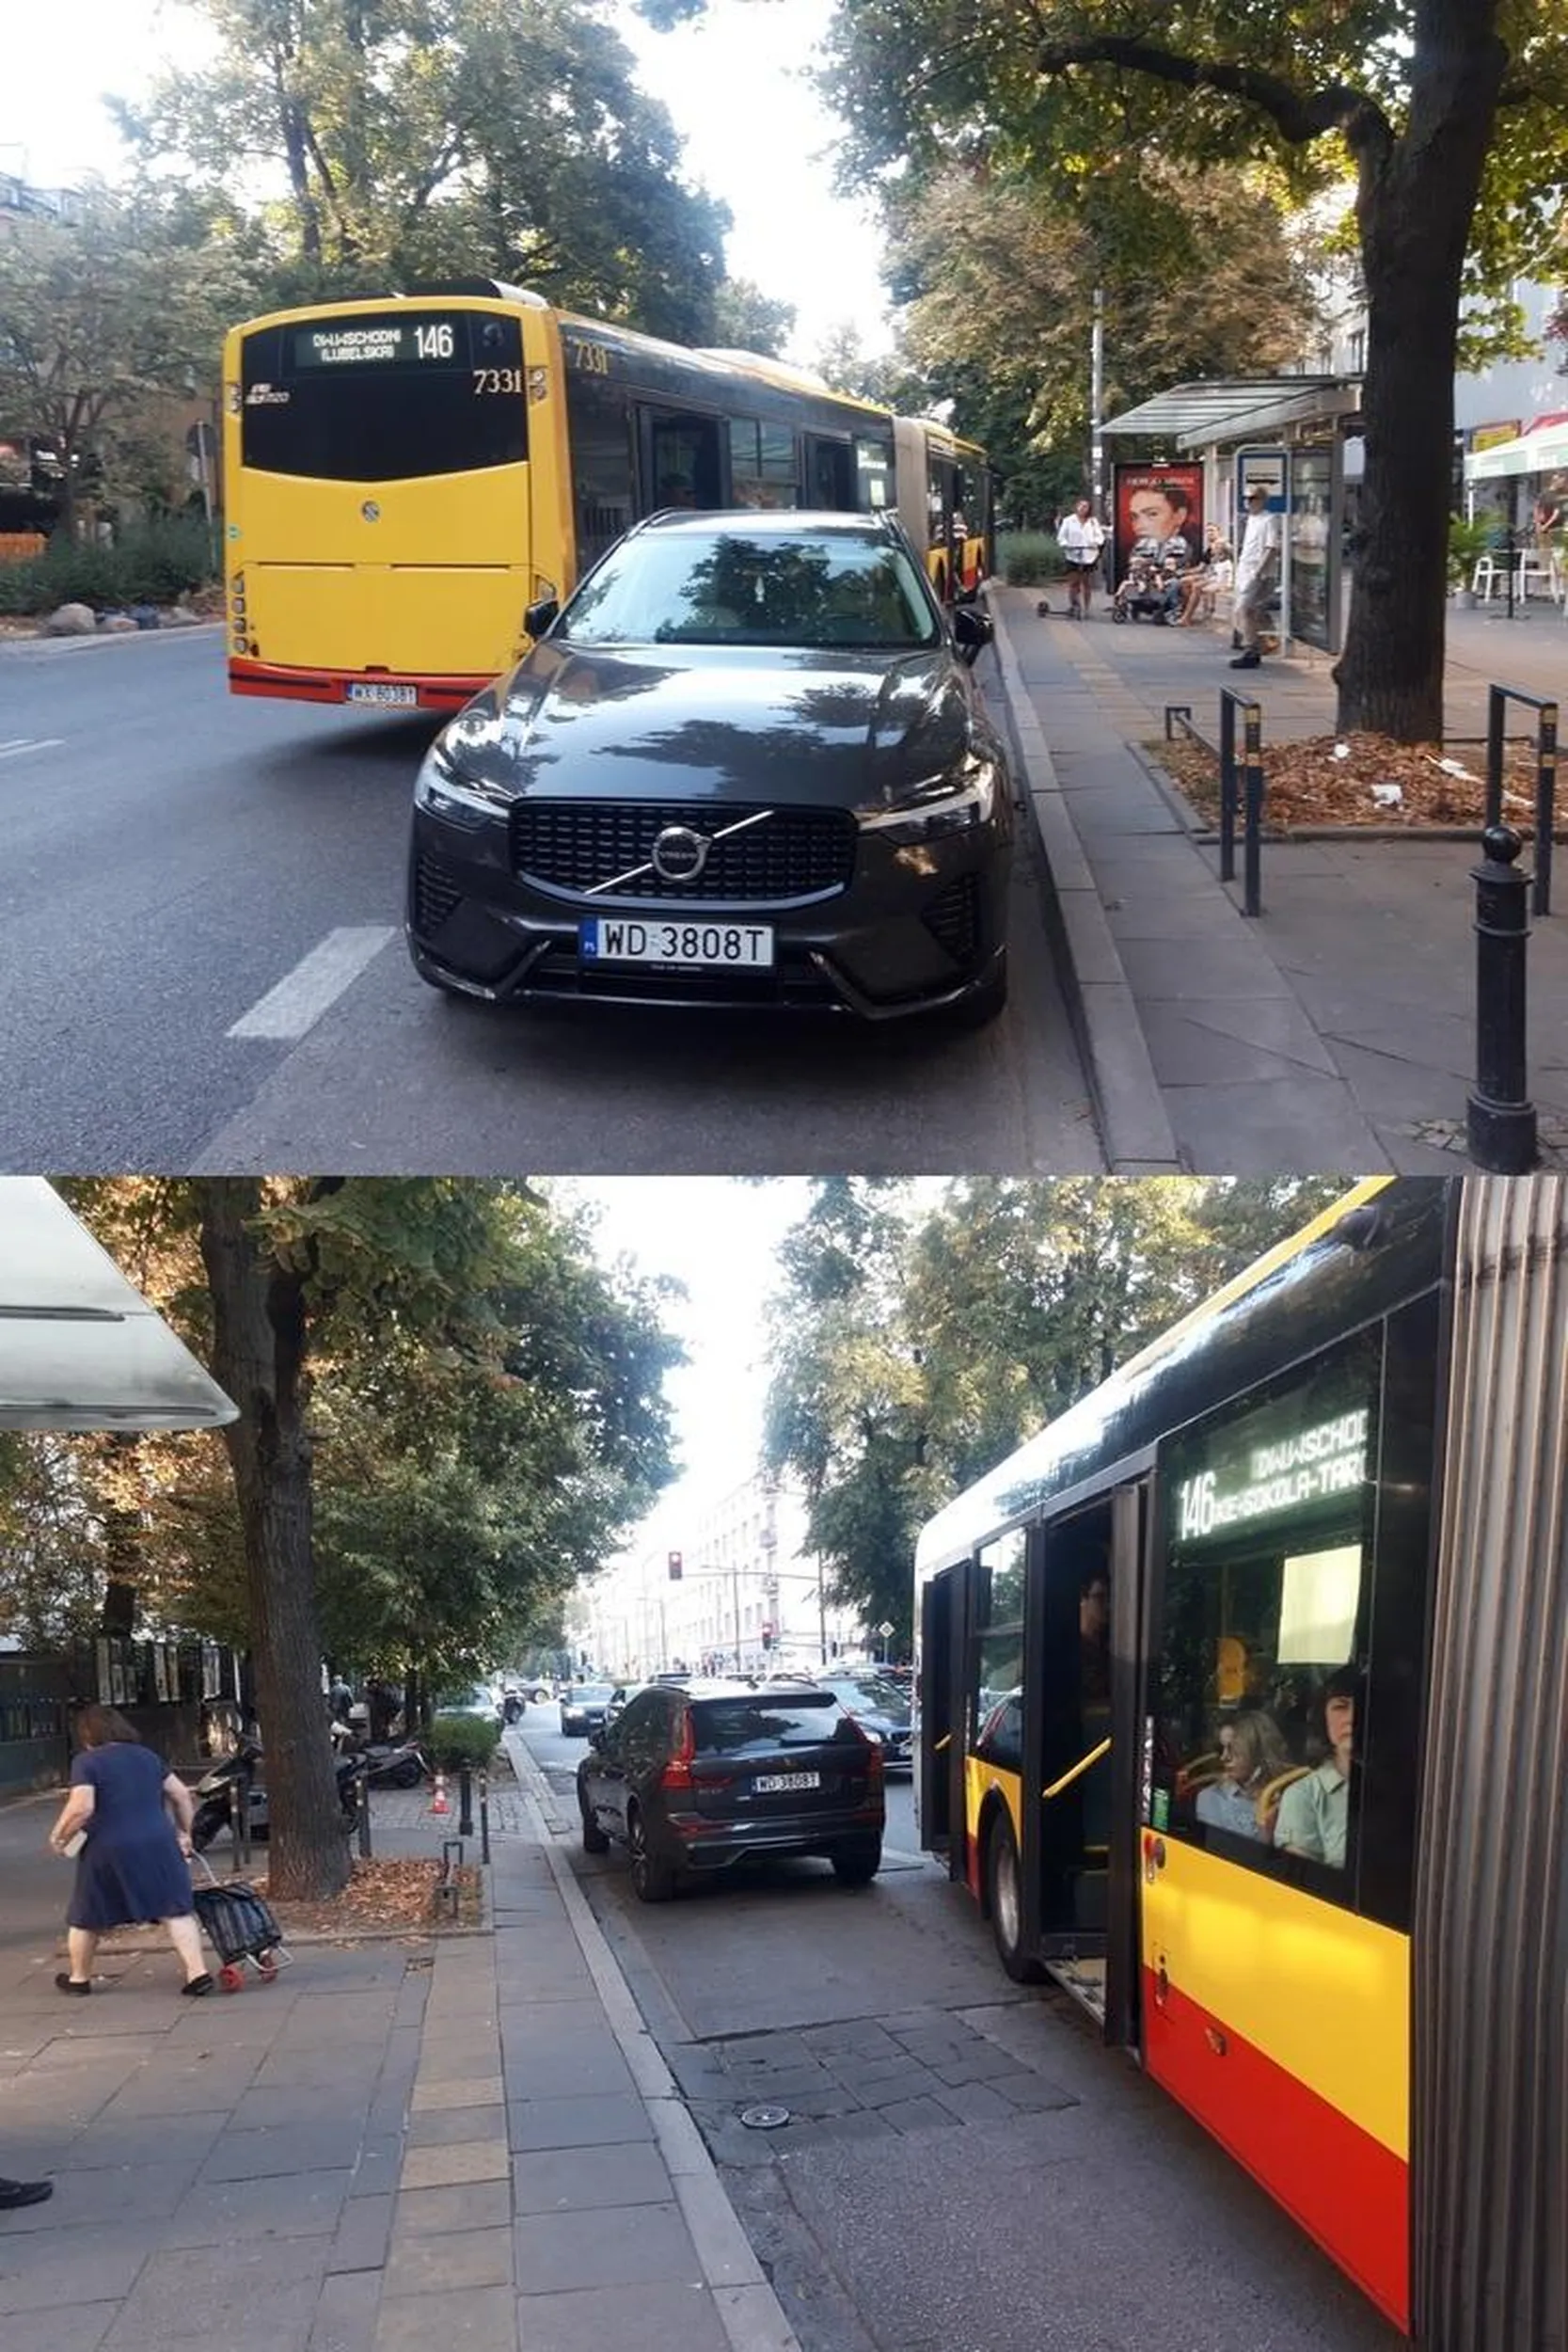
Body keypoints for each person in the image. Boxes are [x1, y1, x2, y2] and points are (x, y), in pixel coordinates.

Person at [47, 1704, 214, 1996]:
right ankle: (197, 1974)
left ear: (88, 1734)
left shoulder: (87, 1762)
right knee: (175, 1908)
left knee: (88, 1913)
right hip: (158, 1842)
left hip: (107, 1847)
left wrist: (59, 1835)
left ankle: (79, 1978)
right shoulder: (148, 1757)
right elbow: (180, 1795)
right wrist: (184, 1833)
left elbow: (82, 1807)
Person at [1274, 1668, 1358, 1866]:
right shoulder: (1303, 1796)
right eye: (1341, 1707)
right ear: (1323, 1718)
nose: (1353, 1718)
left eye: (1365, 1706)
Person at [1196, 1710, 1291, 1840]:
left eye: (1233, 1749)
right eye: (1221, 1748)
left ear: (1257, 1751)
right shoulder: (1211, 1799)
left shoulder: (1290, 1793)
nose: (1224, 1757)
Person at [1230, 484, 1282, 668]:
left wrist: (1258, 571)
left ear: (1261, 500)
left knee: (1244, 609)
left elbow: (1271, 547)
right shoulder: (1250, 519)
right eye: (1247, 499)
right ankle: (1260, 644)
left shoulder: (1269, 519)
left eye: (1252, 499)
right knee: (1249, 610)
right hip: (1245, 568)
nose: (1248, 502)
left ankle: (1251, 648)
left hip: (1257, 571)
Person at [1127, 483, 1196, 570]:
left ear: (1180, 516)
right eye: (1134, 517)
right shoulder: (1137, 551)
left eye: (1152, 514)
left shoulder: (1191, 553)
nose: (1139, 525)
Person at [1057, 498, 1107, 619]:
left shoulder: (1093, 522)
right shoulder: (1069, 521)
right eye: (1081, 506)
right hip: (1073, 554)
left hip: (1089, 555)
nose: (1083, 509)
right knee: (1074, 582)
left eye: (1086, 507)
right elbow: (1061, 537)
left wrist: (1095, 543)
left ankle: (1086, 609)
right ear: (1076, 507)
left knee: (1087, 583)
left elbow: (1100, 537)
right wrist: (1066, 544)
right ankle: (1074, 604)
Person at [1079, 1568, 1110, 1702]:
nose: (1108, 1605)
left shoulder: (1113, 1643)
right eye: (1100, 1598)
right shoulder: (1067, 1648)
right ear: (1083, 1599)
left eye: (1111, 1597)